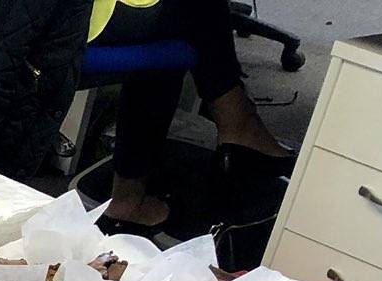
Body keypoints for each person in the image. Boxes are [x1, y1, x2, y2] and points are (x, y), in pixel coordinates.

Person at [88, 0, 293, 235]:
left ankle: (238, 123)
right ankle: (238, 124)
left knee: (195, 16)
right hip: (75, 21)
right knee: (194, 18)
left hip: (59, 15)